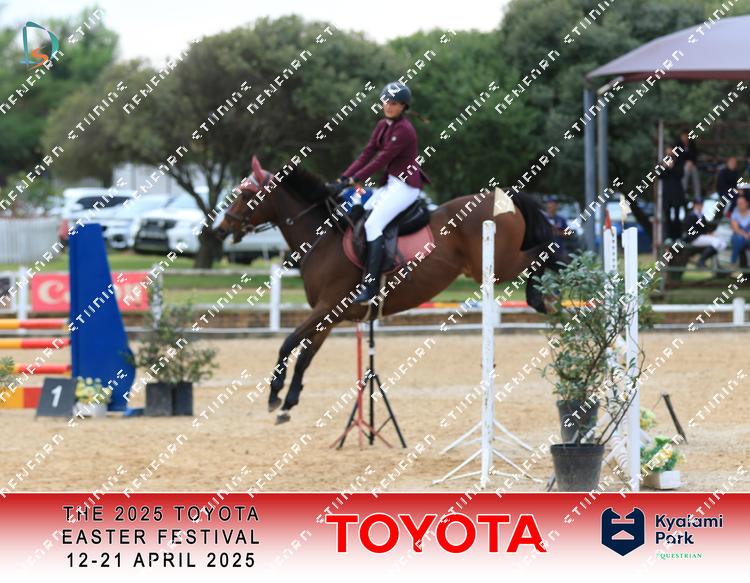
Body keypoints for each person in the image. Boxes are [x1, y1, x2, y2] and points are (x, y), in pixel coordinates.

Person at [335, 81, 429, 304]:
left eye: (394, 103)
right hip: (391, 185)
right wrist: (343, 177)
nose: (388, 106)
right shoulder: (382, 125)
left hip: (405, 187)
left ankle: (371, 286)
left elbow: (382, 159)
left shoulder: (404, 130)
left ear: (403, 106)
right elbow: (367, 153)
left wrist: (355, 179)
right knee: (358, 210)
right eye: (386, 101)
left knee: (372, 225)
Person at [683, 198, 726, 268]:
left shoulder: (702, 215)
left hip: (701, 237)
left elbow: (704, 228)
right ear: (694, 205)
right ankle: (701, 261)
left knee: (723, 244)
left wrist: (708, 234)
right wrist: (704, 234)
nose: (700, 206)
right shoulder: (690, 216)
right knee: (716, 242)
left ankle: (710, 262)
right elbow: (689, 230)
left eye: (701, 204)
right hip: (694, 238)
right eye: (698, 204)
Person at [659, 147, 686, 241]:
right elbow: (659, 175)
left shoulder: (679, 162)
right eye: (667, 153)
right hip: (667, 195)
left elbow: (681, 174)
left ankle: (677, 236)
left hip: (677, 194)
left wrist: (672, 167)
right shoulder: (662, 163)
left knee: (677, 216)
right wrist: (665, 167)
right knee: (667, 216)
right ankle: (668, 236)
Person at [676, 131, 700, 197]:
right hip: (681, 165)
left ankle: (697, 195)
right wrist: (686, 162)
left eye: (686, 136)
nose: (685, 138)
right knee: (685, 171)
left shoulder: (692, 144)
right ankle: (683, 193)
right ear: (681, 137)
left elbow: (695, 155)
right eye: (683, 137)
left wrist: (691, 162)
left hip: (692, 164)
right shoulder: (678, 145)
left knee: (695, 173)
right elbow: (678, 157)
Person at [729, 195, 750, 267]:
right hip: (739, 235)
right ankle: (734, 263)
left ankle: (734, 262)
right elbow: (735, 228)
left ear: (746, 203)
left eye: (741, 203)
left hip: (748, 235)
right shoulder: (735, 214)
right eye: (738, 203)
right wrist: (745, 235)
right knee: (738, 240)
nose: (739, 205)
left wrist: (748, 234)